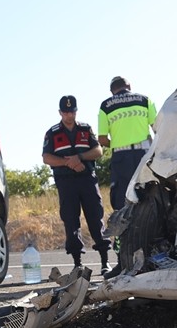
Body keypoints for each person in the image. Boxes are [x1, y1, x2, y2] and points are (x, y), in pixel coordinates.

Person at [42, 95, 109, 273]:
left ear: (76, 111)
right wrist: (68, 162)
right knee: (71, 221)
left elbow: (98, 150)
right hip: (66, 182)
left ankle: (104, 261)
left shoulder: (86, 129)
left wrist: (79, 158)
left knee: (96, 218)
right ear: (60, 112)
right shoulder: (53, 132)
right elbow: (46, 157)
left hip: (87, 179)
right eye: (65, 112)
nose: (69, 115)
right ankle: (77, 262)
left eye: (71, 111)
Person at [98, 76, 158, 216]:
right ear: (129, 87)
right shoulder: (144, 100)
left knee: (122, 196)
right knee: (149, 192)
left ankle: (122, 235)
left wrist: (116, 144)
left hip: (121, 158)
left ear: (112, 91)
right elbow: (157, 128)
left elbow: (102, 139)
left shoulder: (106, 106)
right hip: (144, 155)